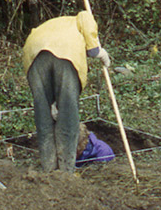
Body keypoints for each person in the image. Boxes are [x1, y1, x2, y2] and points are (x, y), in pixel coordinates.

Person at [22, 11, 111, 173]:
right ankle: (65, 173)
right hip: (66, 51)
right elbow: (87, 21)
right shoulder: (80, 17)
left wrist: (52, 102)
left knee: (43, 115)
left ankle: (48, 170)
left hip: (33, 52)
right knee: (68, 117)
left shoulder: (50, 26)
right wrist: (98, 51)